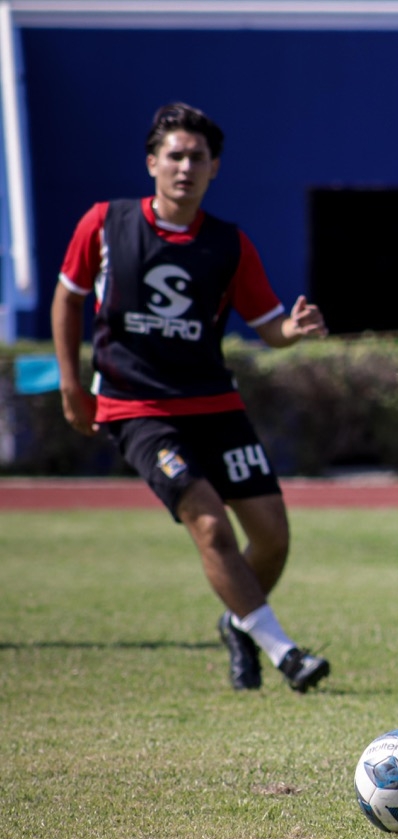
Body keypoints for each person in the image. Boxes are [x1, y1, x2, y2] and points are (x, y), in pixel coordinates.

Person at [51, 103, 331, 693]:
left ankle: (239, 623)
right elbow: (67, 298)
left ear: (214, 168)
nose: (185, 166)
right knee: (209, 524)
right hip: (138, 409)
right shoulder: (104, 223)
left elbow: (268, 326)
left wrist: (294, 331)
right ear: (152, 163)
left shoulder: (228, 244)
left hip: (215, 405)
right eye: (174, 155)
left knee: (274, 536)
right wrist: (72, 385)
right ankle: (285, 653)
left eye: (196, 157)